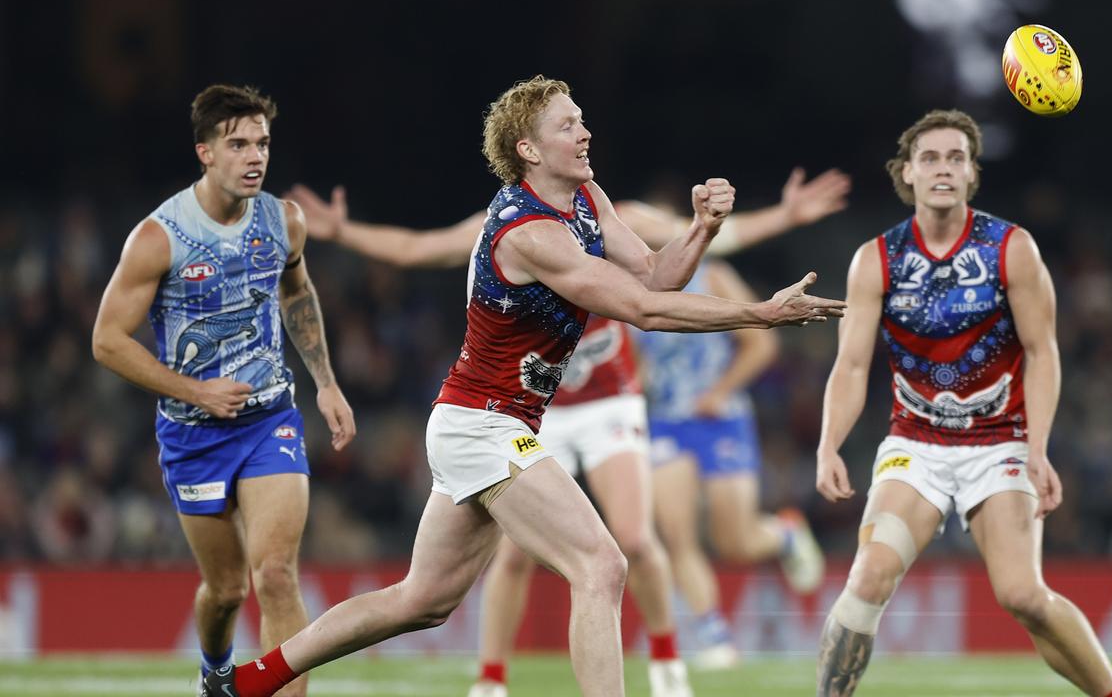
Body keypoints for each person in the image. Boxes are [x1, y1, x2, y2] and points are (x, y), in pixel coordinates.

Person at [202, 75, 844, 697]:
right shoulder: (529, 232)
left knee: (420, 602)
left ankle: (250, 681)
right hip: (483, 425)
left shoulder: (587, 199)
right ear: (529, 150)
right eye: (568, 125)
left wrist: (701, 229)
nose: (586, 132)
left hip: (485, 423)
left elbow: (654, 276)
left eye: (582, 119)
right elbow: (644, 312)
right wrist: (759, 313)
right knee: (602, 564)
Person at [812, 109, 1112, 697]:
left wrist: (1038, 449)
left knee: (1023, 597)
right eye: (930, 158)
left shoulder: (1013, 249)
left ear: (971, 174)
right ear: (906, 173)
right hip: (916, 446)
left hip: (999, 444)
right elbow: (852, 365)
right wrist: (829, 443)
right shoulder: (875, 260)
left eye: (956, 158)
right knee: (869, 576)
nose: (943, 169)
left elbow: (1042, 352)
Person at [91, 84, 356, 697]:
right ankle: (214, 674)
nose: (254, 157)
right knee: (228, 589)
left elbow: (297, 293)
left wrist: (326, 384)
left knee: (277, 575)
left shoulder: (284, 220)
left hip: (270, 420)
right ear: (205, 152)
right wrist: (196, 390)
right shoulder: (158, 238)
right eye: (237, 144)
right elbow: (107, 340)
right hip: (193, 434)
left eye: (261, 143)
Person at [634, 256, 825, 670]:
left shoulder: (714, 275)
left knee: (734, 543)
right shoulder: (628, 285)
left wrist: (720, 391)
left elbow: (762, 344)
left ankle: (784, 534)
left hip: (721, 421)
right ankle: (713, 635)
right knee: (677, 535)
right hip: (666, 421)